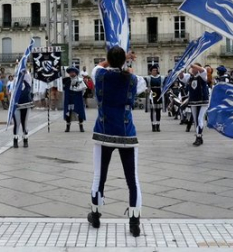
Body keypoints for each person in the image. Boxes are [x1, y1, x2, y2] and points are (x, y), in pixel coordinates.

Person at [87, 46, 146, 237]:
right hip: (126, 133)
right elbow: (138, 85)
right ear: (124, 61)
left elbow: (98, 66)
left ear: (107, 60)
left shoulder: (99, 75)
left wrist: (117, 61)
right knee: (132, 179)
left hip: (103, 132)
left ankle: (95, 215)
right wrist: (126, 64)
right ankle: (134, 221)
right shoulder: (134, 80)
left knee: (99, 176)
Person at [183, 63, 210, 146]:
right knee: (195, 120)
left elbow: (202, 69)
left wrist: (190, 63)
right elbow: (181, 77)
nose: (192, 69)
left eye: (194, 68)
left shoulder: (203, 74)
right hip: (193, 101)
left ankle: (198, 137)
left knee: (199, 119)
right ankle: (199, 137)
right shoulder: (189, 77)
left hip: (203, 100)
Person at [11, 70, 33, 148]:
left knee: (25, 123)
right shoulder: (14, 83)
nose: (22, 74)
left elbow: (28, 75)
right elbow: (11, 94)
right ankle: (15, 139)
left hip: (26, 105)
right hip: (17, 105)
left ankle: (25, 139)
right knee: (17, 123)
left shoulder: (28, 82)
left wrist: (24, 71)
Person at [63, 67, 87, 132]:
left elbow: (83, 89)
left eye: (73, 72)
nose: (71, 73)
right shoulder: (66, 80)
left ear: (75, 73)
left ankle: (81, 126)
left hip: (77, 98)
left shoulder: (80, 80)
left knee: (79, 112)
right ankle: (67, 127)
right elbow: (62, 87)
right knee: (68, 112)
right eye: (70, 72)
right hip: (69, 99)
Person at [147, 65, 164, 132]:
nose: (155, 71)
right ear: (151, 71)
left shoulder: (161, 78)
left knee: (158, 111)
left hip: (159, 94)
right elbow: (147, 86)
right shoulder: (149, 78)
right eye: (153, 70)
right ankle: (153, 126)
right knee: (152, 111)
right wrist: (148, 90)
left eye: (156, 70)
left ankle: (158, 125)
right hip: (152, 94)